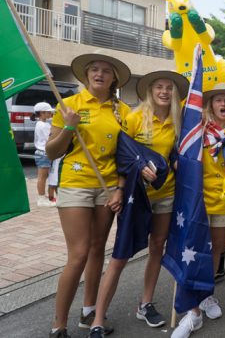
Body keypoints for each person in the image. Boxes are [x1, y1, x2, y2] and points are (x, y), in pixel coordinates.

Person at [87, 71, 188, 337]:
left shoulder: (179, 122)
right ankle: (98, 319)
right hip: (135, 197)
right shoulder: (133, 118)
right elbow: (121, 156)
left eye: (169, 88)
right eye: (159, 87)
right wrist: (122, 186)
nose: (164, 91)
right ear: (150, 90)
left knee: (157, 248)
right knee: (120, 255)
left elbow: (176, 156)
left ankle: (145, 304)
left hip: (165, 195)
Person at [45, 53, 131, 338]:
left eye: (107, 71)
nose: (100, 74)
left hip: (107, 189)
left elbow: (126, 156)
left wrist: (120, 187)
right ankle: (58, 325)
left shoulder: (123, 111)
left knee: (97, 249)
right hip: (76, 184)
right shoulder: (69, 105)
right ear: (86, 75)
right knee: (79, 254)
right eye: (94, 69)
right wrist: (69, 126)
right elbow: (51, 152)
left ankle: (88, 312)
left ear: (114, 79)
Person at [171, 83, 225, 338]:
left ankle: (207, 294)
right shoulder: (198, 128)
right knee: (193, 248)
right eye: (218, 100)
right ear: (211, 104)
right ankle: (191, 310)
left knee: (218, 247)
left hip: (224, 198)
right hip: (197, 198)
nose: (223, 104)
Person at [33, 101, 56, 207]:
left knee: (43, 176)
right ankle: (41, 199)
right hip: (44, 153)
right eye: (48, 112)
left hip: (41, 153)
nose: (51, 114)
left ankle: (42, 197)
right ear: (42, 113)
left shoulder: (40, 123)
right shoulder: (44, 125)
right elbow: (50, 138)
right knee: (42, 177)